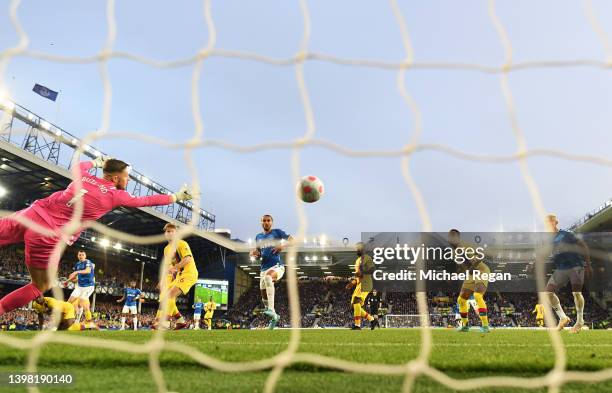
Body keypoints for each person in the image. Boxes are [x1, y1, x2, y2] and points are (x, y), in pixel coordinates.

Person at [0, 156, 193, 316]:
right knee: (41, 284)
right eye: (127, 177)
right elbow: (147, 200)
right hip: (48, 234)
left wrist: (96, 162)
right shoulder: (115, 195)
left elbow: (78, 166)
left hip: (31, 214)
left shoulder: (84, 177)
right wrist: (176, 197)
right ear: (116, 178)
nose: (129, 181)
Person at [545, 214, 592, 333]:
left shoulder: (566, 234)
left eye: (551, 221)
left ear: (556, 222)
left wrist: (588, 264)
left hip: (576, 265)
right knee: (548, 292)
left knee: (576, 292)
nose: (548, 224)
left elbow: (583, 245)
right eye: (547, 222)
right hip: (561, 268)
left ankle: (580, 321)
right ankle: (563, 318)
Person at [249, 215, 293, 330]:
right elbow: (259, 253)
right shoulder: (258, 237)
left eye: (268, 221)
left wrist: (282, 246)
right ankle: (274, 317)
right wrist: (254, 254)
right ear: (261, 222)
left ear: (272, 222)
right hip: (263, 269)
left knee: (269, 278)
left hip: (276, 266)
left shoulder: (277, 233)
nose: (266, 222)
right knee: (264, 297)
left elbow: (292, 240)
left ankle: (271, 310)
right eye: (264, 220)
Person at [155, 223, 199, 330]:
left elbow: (187, 259)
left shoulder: (182, 244)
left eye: (171, 231)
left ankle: (164, 323)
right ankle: (180, 321)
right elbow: (168, 266)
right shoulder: (166, 249)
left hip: (189, 273)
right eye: (167, 231)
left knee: (169, 295)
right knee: (167, 297)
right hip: (179, 276)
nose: (169, 233)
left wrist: (175, 267)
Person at [449, 229, 490, 333]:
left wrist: (472, 267)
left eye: (454, 236)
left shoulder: (465, 246)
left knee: (477, 296)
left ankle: (485, 326)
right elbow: (462, 266)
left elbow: (480, 256)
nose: (451, 238)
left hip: (481, 270)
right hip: (471, 274)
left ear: (458, 237)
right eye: (450, 236)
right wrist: (457, 273)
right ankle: (465, 326)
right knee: (461, 300)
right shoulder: (454, 252)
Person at [346, 242, 379, 330]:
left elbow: (372, 269)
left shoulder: (367, 258)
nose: (356, 250)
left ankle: (357, 325)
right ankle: (372, 320)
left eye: (358, 248)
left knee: (357, 302)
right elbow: (358, 276)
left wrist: (363, 272)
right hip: (359, 285)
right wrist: (352, 283)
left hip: (366, 283)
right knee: (353, 307)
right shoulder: (357, 261)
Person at [67, 250, 96, 329]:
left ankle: (89, 322)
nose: (81, 256)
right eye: (79, 255)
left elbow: (87, 271)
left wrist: (76, 272)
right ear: (77, 256)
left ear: (85, 256)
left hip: (88, 287)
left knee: (82, 304)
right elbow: (76, 278)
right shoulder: (77, 264)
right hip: (79, 287)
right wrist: (67, 281)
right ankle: (65, 320)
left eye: (82, 255)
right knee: (69, 302)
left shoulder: (88, 262)